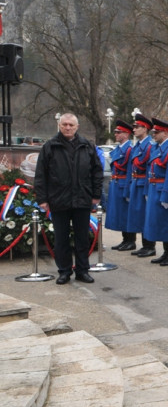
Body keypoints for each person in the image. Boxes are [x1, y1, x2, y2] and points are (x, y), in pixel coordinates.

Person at [34, 113, 102, 284]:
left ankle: (82, 270)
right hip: (59, 200)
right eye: (64, 124)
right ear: (59, 125)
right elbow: (41, 175)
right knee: (61, 239)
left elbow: (97, 172)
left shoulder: (87, 146)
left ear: (77, 127)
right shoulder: (50, 147)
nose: (68, 127)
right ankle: (64, 271)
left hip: (82, 200)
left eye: (71, 125)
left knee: (82, 239)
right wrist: (42, 199)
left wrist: (96, 195)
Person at [144, 118, 168, 266]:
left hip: (165, 190)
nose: (154, 134)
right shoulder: (159, 148)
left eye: (157, 132)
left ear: (165, 133)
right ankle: (166, 252)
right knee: (161, 223)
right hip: (156, 188)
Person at [128, 114, 157, 257]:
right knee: (139, 215)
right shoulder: (138, 145)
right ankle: (145, 245)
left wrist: (146, 188)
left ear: (145, 129)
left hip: (144, 183)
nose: (134, 129)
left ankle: (150, 246)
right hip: (136, 182)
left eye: (137, 127)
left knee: (147, 215)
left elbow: (149, 169)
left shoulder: (150, 146)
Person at [106, 119, 136, 251]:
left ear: (126, 134)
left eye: (119, 132)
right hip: (116, 183)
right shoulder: (119, 149)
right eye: (115, 132)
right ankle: (125, 239)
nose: (116, 134)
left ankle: (130, 240)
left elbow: (130, 170)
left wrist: (128, 188)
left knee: (125, 214)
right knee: (119, 213)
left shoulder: (129, 150)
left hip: (124, 183)